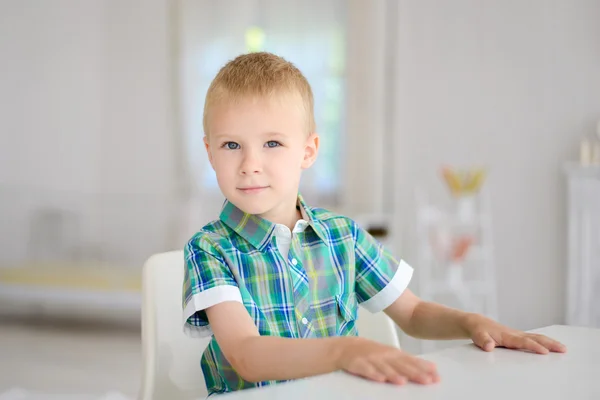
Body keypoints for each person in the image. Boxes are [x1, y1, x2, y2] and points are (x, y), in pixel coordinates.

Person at [182, 52, 566, 397]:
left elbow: (413, 314)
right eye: (232, 145)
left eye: (272, 144)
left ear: (308, 151)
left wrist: (471, 322)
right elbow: (247, 356)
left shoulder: (342, 236)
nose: (250, 163)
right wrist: (344, 351)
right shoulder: (210, 248)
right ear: (210, 153)